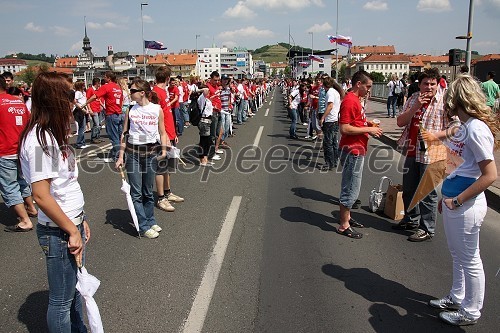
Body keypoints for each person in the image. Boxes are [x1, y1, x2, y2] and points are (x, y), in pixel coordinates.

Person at [18, 71, 90, 332]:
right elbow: (40, 195)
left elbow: (65, 185)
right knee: (62, 300)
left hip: (70, 224)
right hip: (59, 231)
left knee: (74, 294)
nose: (74, 101)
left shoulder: (53, 134)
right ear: (55, 99)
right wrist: (71, 229)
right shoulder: (39, 140)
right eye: (70, 95)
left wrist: (82, 221)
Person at [428, 74, 498, 326]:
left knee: (469, 257)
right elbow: (461, 166)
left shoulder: (477, 129)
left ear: (458, 99)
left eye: (450, 98)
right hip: (455, 201)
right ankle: (457, 297)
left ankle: (471, 311)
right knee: (458, 254)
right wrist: (446, 196)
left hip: (465, 205)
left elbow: (490, 174)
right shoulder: (467, 127)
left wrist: (456, 200)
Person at [395, 68, 448, 242]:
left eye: (433, 84)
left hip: (433, 153)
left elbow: (456, 128)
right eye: (426, 83)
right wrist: (416, 106)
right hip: (412, 149)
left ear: (438, 83)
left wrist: (434, 136)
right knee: (409, 188)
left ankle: (427, 228)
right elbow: (400, 122)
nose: (429, 87)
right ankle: (411, 220)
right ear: (420, 84)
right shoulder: (412, 99)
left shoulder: (445, 101)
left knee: (427, 193)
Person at [115, 78, 168, 239]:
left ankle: (150, 220)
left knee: (147, 190)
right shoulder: (130, 109)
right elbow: (124, 134)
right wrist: (121, 155)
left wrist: (164, 150)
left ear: (142, 93)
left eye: (132, 91)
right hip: (133, 154)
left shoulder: (157, 109)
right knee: (136, 192)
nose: (130, 93)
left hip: (151, 152)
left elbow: (162, 132)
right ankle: (143, 226)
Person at [337, 70, 382, 239]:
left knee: (352, 186)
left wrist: (367, 123)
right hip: (352, 149)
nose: (369, 90)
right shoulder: (350, 101)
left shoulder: (355, 99)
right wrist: (369, 128)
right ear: (358, 84)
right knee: (351, 188)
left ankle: (347, 217)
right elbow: (344, 128)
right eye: (368, 86)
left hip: (357, 149)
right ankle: (343, 225)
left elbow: (354, 122)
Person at [0, 76, 37, 232]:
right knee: (21, 181)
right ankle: (31, 208)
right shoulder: (18, 102)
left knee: (9, 185)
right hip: (21, 149)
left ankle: (24, 220)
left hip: (5, 150)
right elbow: (29, 123)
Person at [153, 66, 183, 213]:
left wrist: (173, 133)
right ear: (167, 78)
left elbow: (168, 114)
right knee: (161, 167)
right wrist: (163, 136)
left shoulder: (163, 91)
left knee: (168, 167)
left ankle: (167, 192)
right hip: (162, 136)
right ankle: (160, 198)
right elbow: (157, 118)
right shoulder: (155, 93)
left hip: (169, 134)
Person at [85, 71, 124, 161]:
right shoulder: (118, 87)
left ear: (109, 78)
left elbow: (95, 96)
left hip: (111, 114)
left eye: (105, 77)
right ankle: (118, 154)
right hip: (119, 114)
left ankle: (118, 157)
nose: (104, 78)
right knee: (119, 137)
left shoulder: (106, 86)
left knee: (114, 137)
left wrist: (86, 103)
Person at [319, 77, 344, 170]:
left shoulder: (330, 92)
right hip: (335, 119)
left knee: (327, 143)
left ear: (325, 85)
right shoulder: (336, 92)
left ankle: (329, 162)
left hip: (330, 120)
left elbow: (330, 106)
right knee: (334, 142)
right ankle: (334, 160)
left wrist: (323, 117)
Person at [197, 83, 214, 166]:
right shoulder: (201, 98)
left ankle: (205, 158)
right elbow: (205, 90)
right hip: (204, 121)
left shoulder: (205, 99)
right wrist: (201, 89)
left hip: (207, 121)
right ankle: (202, 159)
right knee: (204, 141)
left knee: (207, 141)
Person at [85, 78, 104, 144]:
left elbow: (99, 99)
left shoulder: (98, 90)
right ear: (97, 83)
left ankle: (97, 136)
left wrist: (101, 106)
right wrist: (89, 109)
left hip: (98, 108)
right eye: (99, 83)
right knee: (96, 124)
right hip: (93, 109)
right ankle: (93, 138)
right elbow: (87, 100)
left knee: (98, 124)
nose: (99, 85)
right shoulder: (90, 90)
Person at [73, 81, 89, 149]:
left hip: (83, 109)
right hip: (79, 110)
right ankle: (79, 143)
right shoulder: (78, 93)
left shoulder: (83, 93)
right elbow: (75, 101)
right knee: (81, 127)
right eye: (83, 85)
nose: (84, 86)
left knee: (83, 127)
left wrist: (87, 109)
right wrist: (81, 108)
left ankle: (82, 142)